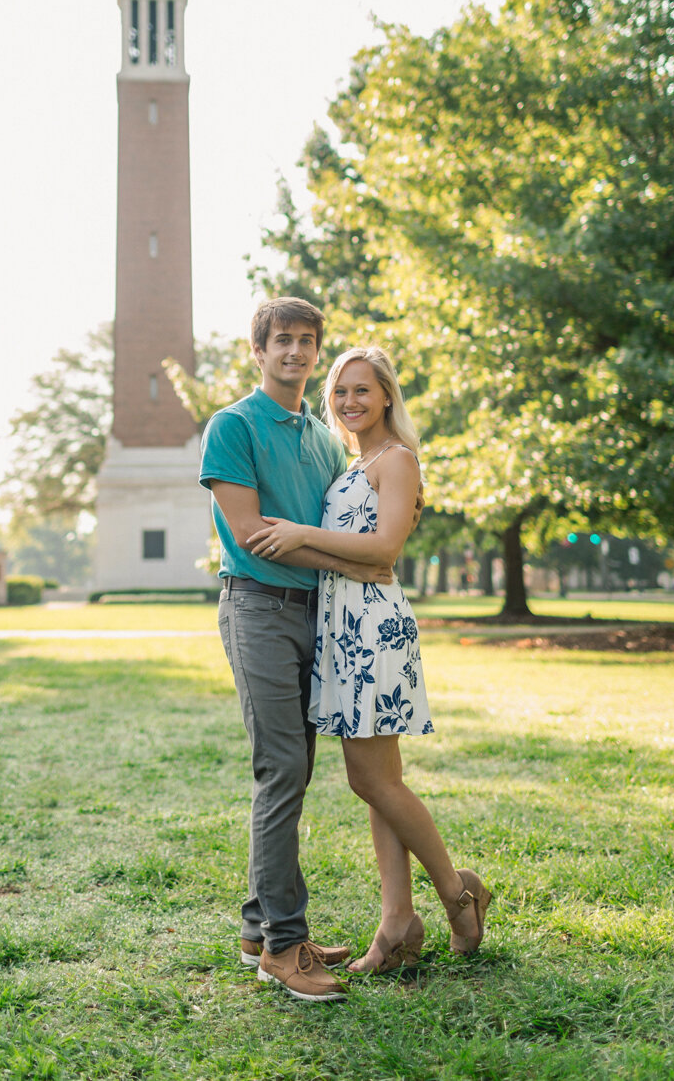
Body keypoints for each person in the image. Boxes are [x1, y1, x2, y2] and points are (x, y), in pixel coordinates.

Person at [247, 346, 491, 973]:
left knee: (371, 779)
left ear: (387, 395)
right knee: (381, 784)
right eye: (341, 393)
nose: (351, 402)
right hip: (342, 625)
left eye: (363, 390)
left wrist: (301, 534)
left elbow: (384, 546)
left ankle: (458, 894)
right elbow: (362, 551)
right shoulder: (350, 466)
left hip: (374, 628)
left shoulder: (397, 460)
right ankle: (396, 924)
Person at [199, 299, 394, 1001]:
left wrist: (357, 554)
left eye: (307, 342)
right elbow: (251, 532)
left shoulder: (322, 436)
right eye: (282, 340)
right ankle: (284, 948)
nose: (296, 353)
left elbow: (330, 533)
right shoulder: (233, 425)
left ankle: (259, 925)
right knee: (281, 768)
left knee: (297, 766)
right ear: (258, 351)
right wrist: (331, 550)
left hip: (321, 613)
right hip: (258, 608)